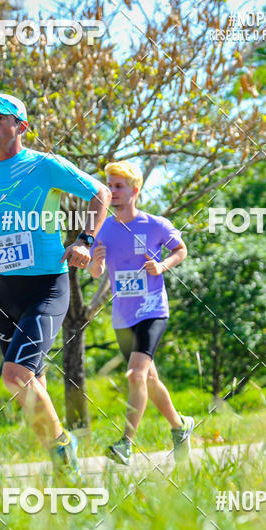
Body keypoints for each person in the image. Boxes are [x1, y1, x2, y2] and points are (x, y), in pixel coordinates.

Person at [0, 93, 111, 478]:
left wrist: (84, 240)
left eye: (0, 119)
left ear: (21, 127)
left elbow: (102, 193)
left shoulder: (44, 166)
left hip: (48, 286)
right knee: (32, 384)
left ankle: (64, 450)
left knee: (14, 375)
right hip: (5, 291)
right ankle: (65, 467)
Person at [87, 160, 194, 465]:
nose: (112, 191)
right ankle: (180, 426)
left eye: (118, 186)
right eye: (109, 186)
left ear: (135, 190)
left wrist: (161, 266)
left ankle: (126, 443)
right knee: (147, 379)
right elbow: (96, 273)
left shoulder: (154, 224)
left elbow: (181, 249)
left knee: (135, 374)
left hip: (152, 309)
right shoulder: (104, 228)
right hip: (123, 315)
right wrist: (96, 261)